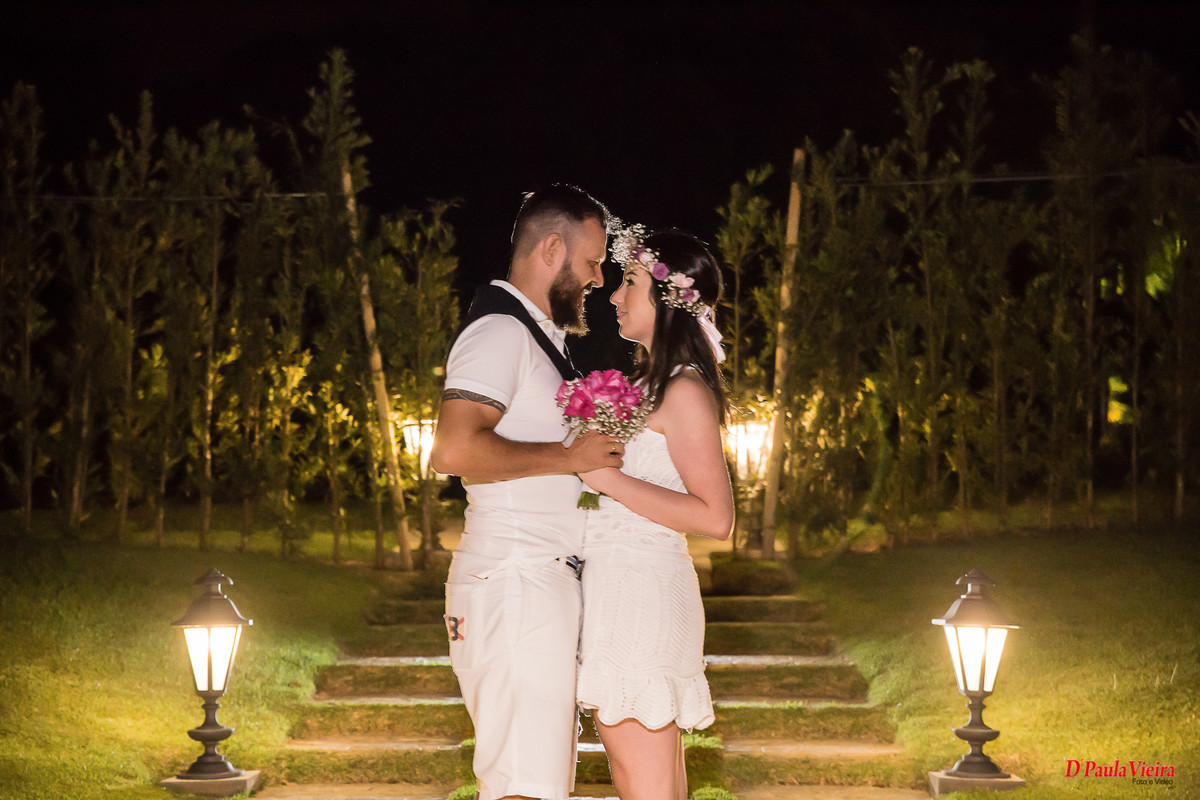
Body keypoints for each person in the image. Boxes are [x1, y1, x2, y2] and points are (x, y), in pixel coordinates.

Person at [429, 184, 625, 800]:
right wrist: (568, 456)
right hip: (514, 581)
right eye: (592, 261)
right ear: (551, 247)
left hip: (537, 583)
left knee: (538, 780)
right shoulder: (498, 333)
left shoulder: (541, 338)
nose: (598, 278)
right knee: (525, 785)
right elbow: (453, 451)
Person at [575, 227, 735, 800]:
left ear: (671, 300)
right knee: (645, 781)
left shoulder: (683, 391)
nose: (615, 296)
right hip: (621, 589)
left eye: (630, 283)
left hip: (641, 594)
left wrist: (607, 480)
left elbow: (716, 517)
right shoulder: (648, 385)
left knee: (642, 782)